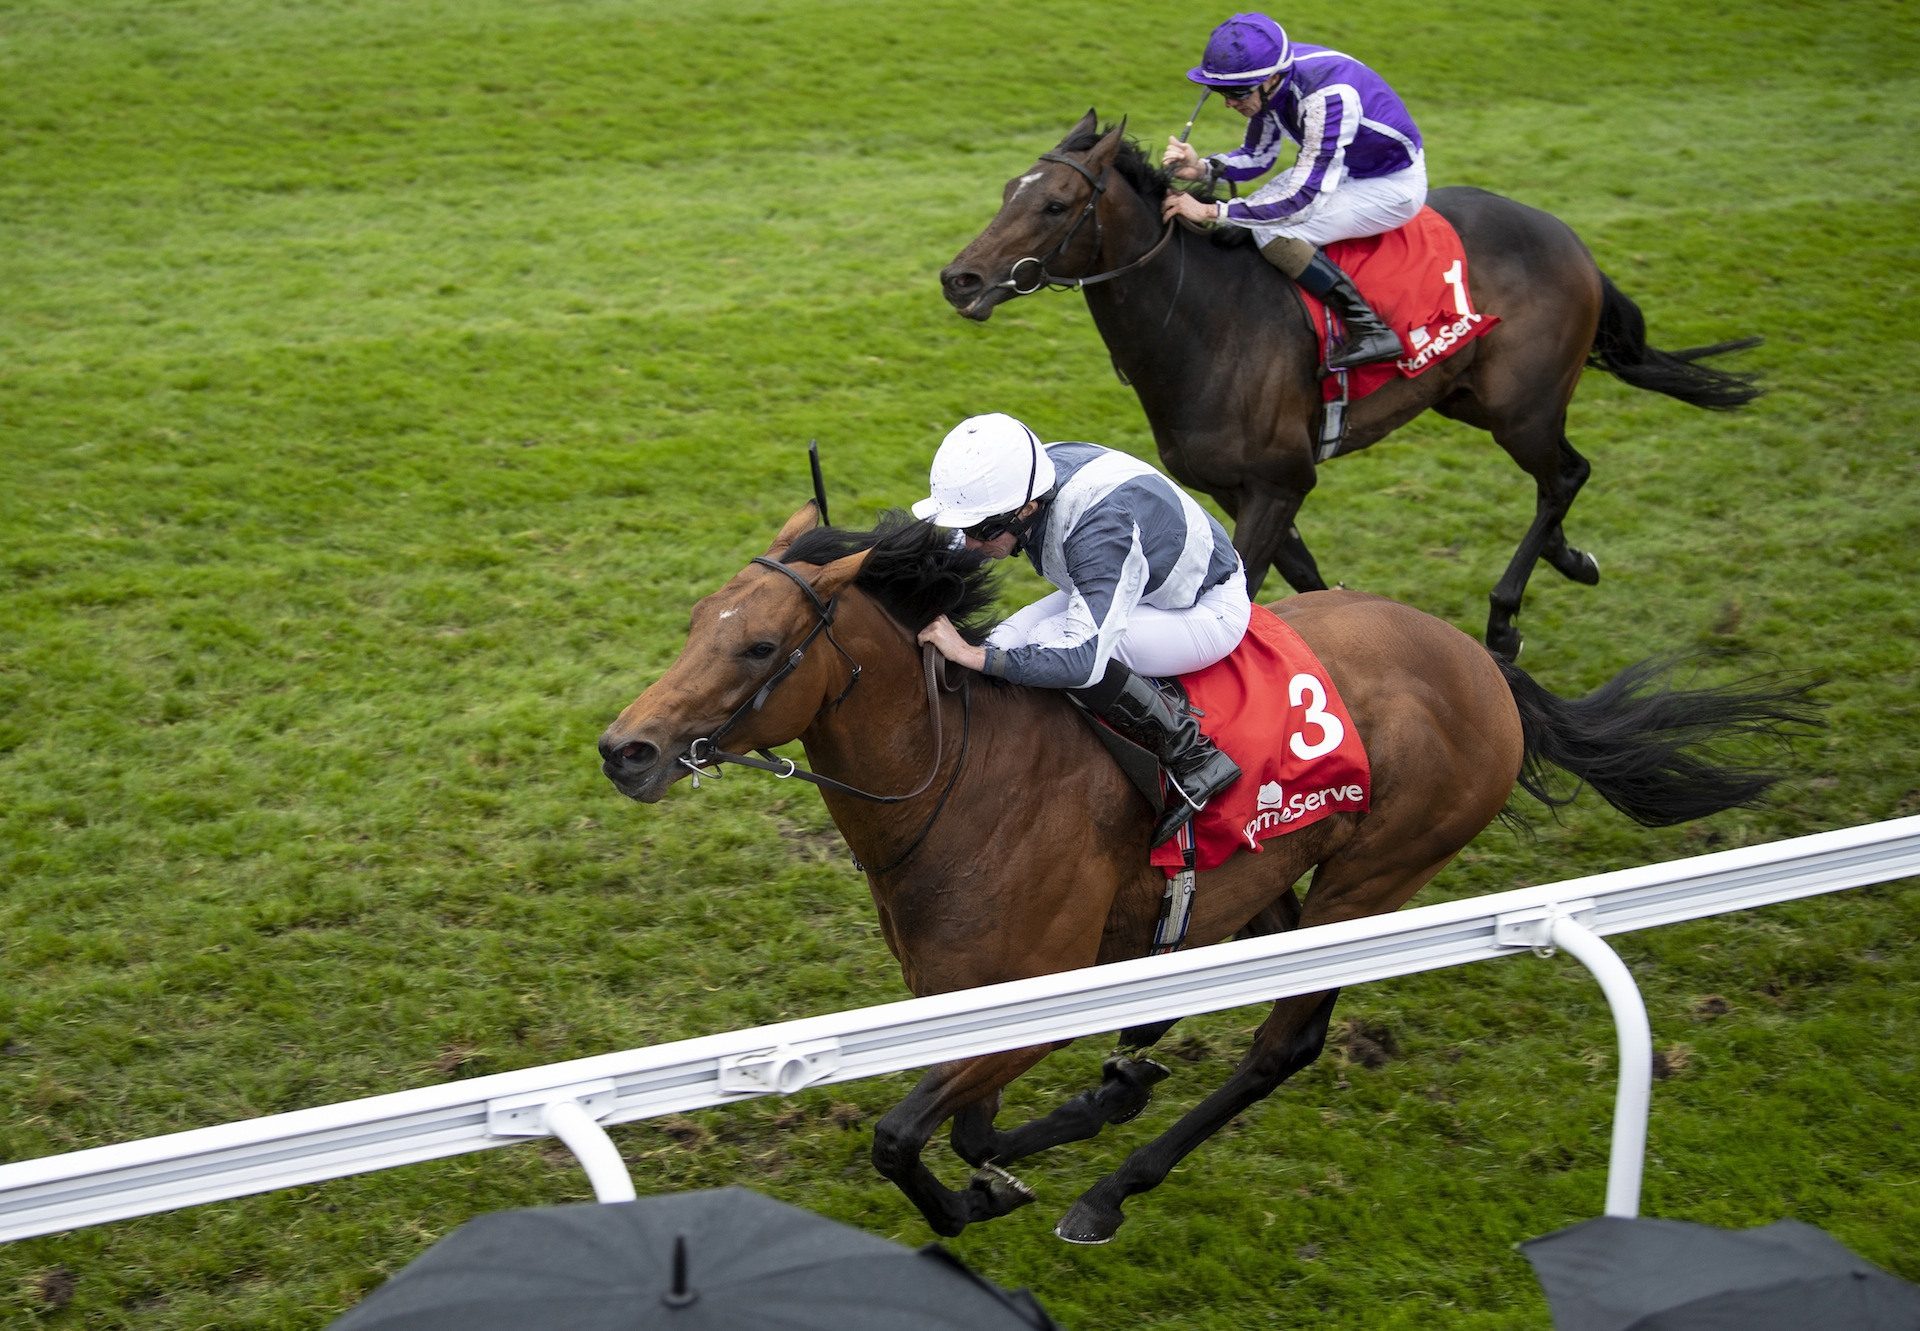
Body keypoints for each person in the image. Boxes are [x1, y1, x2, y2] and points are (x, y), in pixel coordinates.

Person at [912, 412, 1249, 845]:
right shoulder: (1024, 477)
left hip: (1204, 610)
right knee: (1005, 639)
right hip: (1130, 576)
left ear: (1027, 509)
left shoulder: (1097, 527)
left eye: (982, 530)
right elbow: (958, 541)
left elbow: (1081, 662)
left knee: (1041, 646)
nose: (971, 542)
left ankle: (1195, 758)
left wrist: (971, 655)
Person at [1160, 12, 1425, 371]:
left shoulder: (1327, 98)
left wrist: (1211, 210)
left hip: (1390, 184)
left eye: (1237, 93)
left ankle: (1370, 329)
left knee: (1272, 231)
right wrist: (1203, 167)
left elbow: (1302, 201)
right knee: (1253, 213)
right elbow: (1258, 156)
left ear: (1271, 78)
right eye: (1221, 92)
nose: (1228, 103)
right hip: (1348, 168)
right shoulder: (1270, 78)